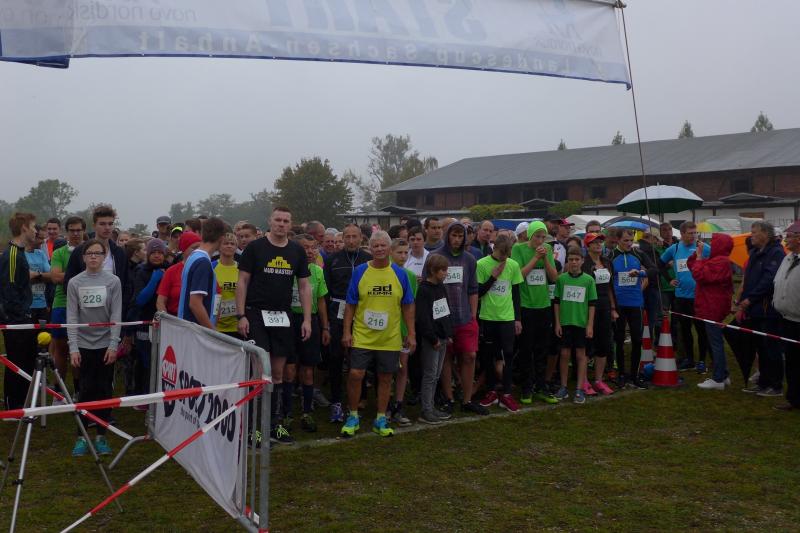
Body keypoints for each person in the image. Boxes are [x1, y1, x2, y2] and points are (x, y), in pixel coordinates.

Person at [237, 207, 313, 445]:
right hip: (256, 314)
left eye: (286, 221)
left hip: (282, 316)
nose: (281, 224)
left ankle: (274, 425)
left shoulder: (296, 250)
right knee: (260, 372)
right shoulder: (255, 248)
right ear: (270, 221)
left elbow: (304, 286)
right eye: (278, 220)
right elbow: (242, 281)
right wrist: (241, 315)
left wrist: (307, 319)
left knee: (278, 373)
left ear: (291, 224)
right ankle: (254, 428)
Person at [339, 231, 415, 438]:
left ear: (389, 248)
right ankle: (353, 415)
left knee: (385, 377)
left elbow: (408, 305)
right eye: (376, 246)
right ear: (370, 248)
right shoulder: (360, 271)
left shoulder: (400, 274)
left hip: (389, 337)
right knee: (356, 374)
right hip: (362, 334)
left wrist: (411, 333)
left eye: (383, 245)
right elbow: (350, 304)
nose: (380, 249)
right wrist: (346, 331)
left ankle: (381, 417)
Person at [67, 238, 122, 456]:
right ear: (83, 257)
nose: (93, 257)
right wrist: (73, 347)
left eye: (97, 253)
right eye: (89, 253)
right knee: (85, 390)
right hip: (82, 345)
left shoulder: (113, 281)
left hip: (105, 344)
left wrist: (113, 344)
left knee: (104, 391)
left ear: (104, 256)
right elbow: (72, 316)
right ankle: (81, 437)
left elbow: (116, 314)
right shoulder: (74, 283)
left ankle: (101, 436)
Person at [432, 222, 487, 415]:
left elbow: (473, 289)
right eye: (453, 235)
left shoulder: (469, 259)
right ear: (447, 236)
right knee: (446, 358)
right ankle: (449, 398)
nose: (456, 239)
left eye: (460, 236)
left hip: (465, 317)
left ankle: (467, 399)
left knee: (469, 356)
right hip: (442, 317)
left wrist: (473, 316)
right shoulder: (435, 257)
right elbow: (429, 287)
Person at [323, 224, 371, 423]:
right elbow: (325, 293)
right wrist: (326, 322)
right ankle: (336, 400)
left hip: (362, 313)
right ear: (342, 239)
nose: (351, 241)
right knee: (335, 357)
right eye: (347, 237)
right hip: (338, 311)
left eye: (354, 237)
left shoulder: (368, 259)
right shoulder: (332, 259)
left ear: (361, 238)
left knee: (360, 356)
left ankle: (361, 397)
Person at [512, 221, 559, 404]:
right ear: (530, 236)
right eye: (537, 236)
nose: (540, 240)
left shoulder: (547, 248)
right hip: (526, 306)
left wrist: (545, 258)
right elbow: (518, 275)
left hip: (544, 306)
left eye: (543, 237)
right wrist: (535, 258)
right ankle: (526, 388)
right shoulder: (518, 249)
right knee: (526, 349)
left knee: (542, 349)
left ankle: (541, 386)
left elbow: (554, 277)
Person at [476, 233, 523, 413]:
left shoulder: (513, 265)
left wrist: (517, 318)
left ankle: (507, 393)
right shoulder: (482, 264)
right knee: (488, 356)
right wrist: (493, 277)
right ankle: (491, 391)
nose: (504, 258)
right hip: (488, 317)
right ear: (494, 248)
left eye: (507, 254)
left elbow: (516, 294)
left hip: (507, 318)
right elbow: (478, 292)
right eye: (502, 253)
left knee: (508, 354)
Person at [738, 221, 786, 397]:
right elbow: (749, 279)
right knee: (761, 347)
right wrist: (743, 300)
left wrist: (751, 298)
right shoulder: (755, 252)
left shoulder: (776, 252)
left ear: (765, 233)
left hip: (767, 309)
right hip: (755, 309)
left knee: (771, 347)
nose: (751, 236)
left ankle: (776, 385)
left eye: (754, 232)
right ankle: (763, 382)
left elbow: (768, 280)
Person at [288, 234, 330, 432]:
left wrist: (325, 327)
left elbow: (321, 301)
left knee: (307, 369)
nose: (310, 251)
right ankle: (286, 413)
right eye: (305, 247)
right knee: (289, 369)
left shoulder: (318, 271)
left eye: (313, 247)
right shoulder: (288, 270)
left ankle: (306, 411)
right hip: (289, 320)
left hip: (310, 321)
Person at [660, 221, 711, 373]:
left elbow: (717, 264)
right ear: (682, 234)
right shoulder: (674, 248)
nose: (693, 236)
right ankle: (689, 359)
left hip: (699, 297)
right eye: (690, 233)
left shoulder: (703, 247)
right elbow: (660, 264)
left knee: (701, 330)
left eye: (695, 233)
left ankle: (702, 361)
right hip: (681, 297)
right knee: (685, 330)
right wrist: (669, 279)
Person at [1, 213, 38, 410]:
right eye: (33, 227)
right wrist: (21, 316)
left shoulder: (20, 253)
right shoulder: (13, 254)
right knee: (17, 363)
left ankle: (22, 402)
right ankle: (13, 406)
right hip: (15, 320)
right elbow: (9, 290)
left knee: (26, 361)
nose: (36, 231)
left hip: (22, 317)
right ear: (24, 228)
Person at [611, 229, 656, 389]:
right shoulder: (611, 256)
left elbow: (654, 269)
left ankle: (634, 375)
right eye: (625, 241)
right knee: (619, 339)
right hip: (618, 304)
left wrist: (640, 273)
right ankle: (621, 374)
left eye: (631, 240)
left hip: (635, 303)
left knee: (637, 339)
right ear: (618, 240)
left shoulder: (638, 253)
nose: (629, 244)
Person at [689, 233, 734, 390]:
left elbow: (699, 275)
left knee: (715, 343)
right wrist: (697, 254)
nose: (711, 245)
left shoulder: (720, 262)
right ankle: (724, 374)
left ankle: (718, 378)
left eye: (713, 243)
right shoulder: (717, 260)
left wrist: (699, 257)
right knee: (716, 341)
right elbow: (693, 266)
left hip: (713, 307)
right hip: (712, 305)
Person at [554, 246, 598, 404]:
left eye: (577, 259)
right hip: (565, 323)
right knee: (564, 355)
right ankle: (563, 387)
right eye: (571, 259)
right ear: (567, 261)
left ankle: (579, 389)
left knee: (581, 355)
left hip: (581, 323)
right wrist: (557, 323)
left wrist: (590, 325)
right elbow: (557, 302)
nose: (573, 262)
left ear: (582, 261)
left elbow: (592, 304)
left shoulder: (588, 280)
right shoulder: (561, 279)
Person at [415, 254, 454, 424]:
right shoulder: (424, 290)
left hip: (442, 338)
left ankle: (430, 407)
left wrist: (448, 334)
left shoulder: (441, 287)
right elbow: (423, 318)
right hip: (433, 340)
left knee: (436, 375)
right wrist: (433, 338)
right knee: (430, 375)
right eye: (443, 270)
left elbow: (445, 311)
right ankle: (426, 410)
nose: (446, 273)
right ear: (433, 270)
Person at [49, 216, 85, 396]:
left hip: (85, 305)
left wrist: (68, 275)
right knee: (61, 349)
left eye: (79, 230)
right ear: (67, 231)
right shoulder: (59, 253)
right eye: (72, 230)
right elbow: (55, 277)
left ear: (83, 231)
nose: (76, 233)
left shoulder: (90, 251)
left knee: (80, 349)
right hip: (62, 304)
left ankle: (78, 389)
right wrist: (83, 275)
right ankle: (59, 390)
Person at [129, 239, 168, 398]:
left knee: (160, 362)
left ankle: (156, 395)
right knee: (146, 361)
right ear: (148, 254)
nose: (157, 256)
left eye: (160, 253)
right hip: (145, 324)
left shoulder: (169, 270)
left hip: (164, 324)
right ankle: (143, 395)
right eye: (153, 253)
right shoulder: (141, 271)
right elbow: (139, 300)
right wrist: (154, 280)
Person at [387, 238, 419, 427]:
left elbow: (410, 306)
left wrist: (409, 331)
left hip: (402, 330)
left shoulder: (410, 276)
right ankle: (385, 405)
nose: (403, 256)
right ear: (391, 252)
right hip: (384, 331)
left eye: (406, 252)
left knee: (402, 367)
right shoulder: (383, 273)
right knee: (385, 369)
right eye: (399, 252)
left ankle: (398, 405)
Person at [581, 232, 617, 395]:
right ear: (587, 245)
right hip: (588, 306)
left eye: (600, 242)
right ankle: (584, 381)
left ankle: (598, 380)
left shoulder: (607, 262)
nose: (598, 245)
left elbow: (610, 287)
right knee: (588, 344)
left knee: (604, 343)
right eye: (594, 242)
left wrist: (613, 308)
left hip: (604, 306)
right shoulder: (584, 263)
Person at [178, 217, 226, 329]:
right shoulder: (202, 262)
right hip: (195, 332)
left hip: (187, 328)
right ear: (222, 238)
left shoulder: (193, 256)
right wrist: (211, 331)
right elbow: (195, 304)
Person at [772, 221, 800, 411]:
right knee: (791, 361)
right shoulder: (788, 258)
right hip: (787, 318)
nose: (785, 239)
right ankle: (794, 398)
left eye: (789, 236)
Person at [156, 231, 201, 315]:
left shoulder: (206, 269)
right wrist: (167, 319)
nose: (198, 251)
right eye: (194, 248)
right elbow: (160, 301)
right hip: (175, 319)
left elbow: (217, 296)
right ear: (184, 249)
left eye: (200, 248)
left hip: (199, 320)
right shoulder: (172, 271)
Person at [213, 233, 240, 338]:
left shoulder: (241, 268)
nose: (229, 246)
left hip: (236, 325)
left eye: (232, 244)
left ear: (236, 247)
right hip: (215, 325)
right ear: (219, 246)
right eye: (226, 243)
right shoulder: (211, 266)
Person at [25, 225, 52, 323]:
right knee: (28, 332)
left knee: (44, 332)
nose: (42, 241)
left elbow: (51, 276)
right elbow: (24, 277)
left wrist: (37, 275)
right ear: (32, 236)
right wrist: (42, 275)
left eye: (43, 239)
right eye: (40, 238)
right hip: (27, 305)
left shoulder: (41, 253)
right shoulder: (21, 254)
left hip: (42, 305)